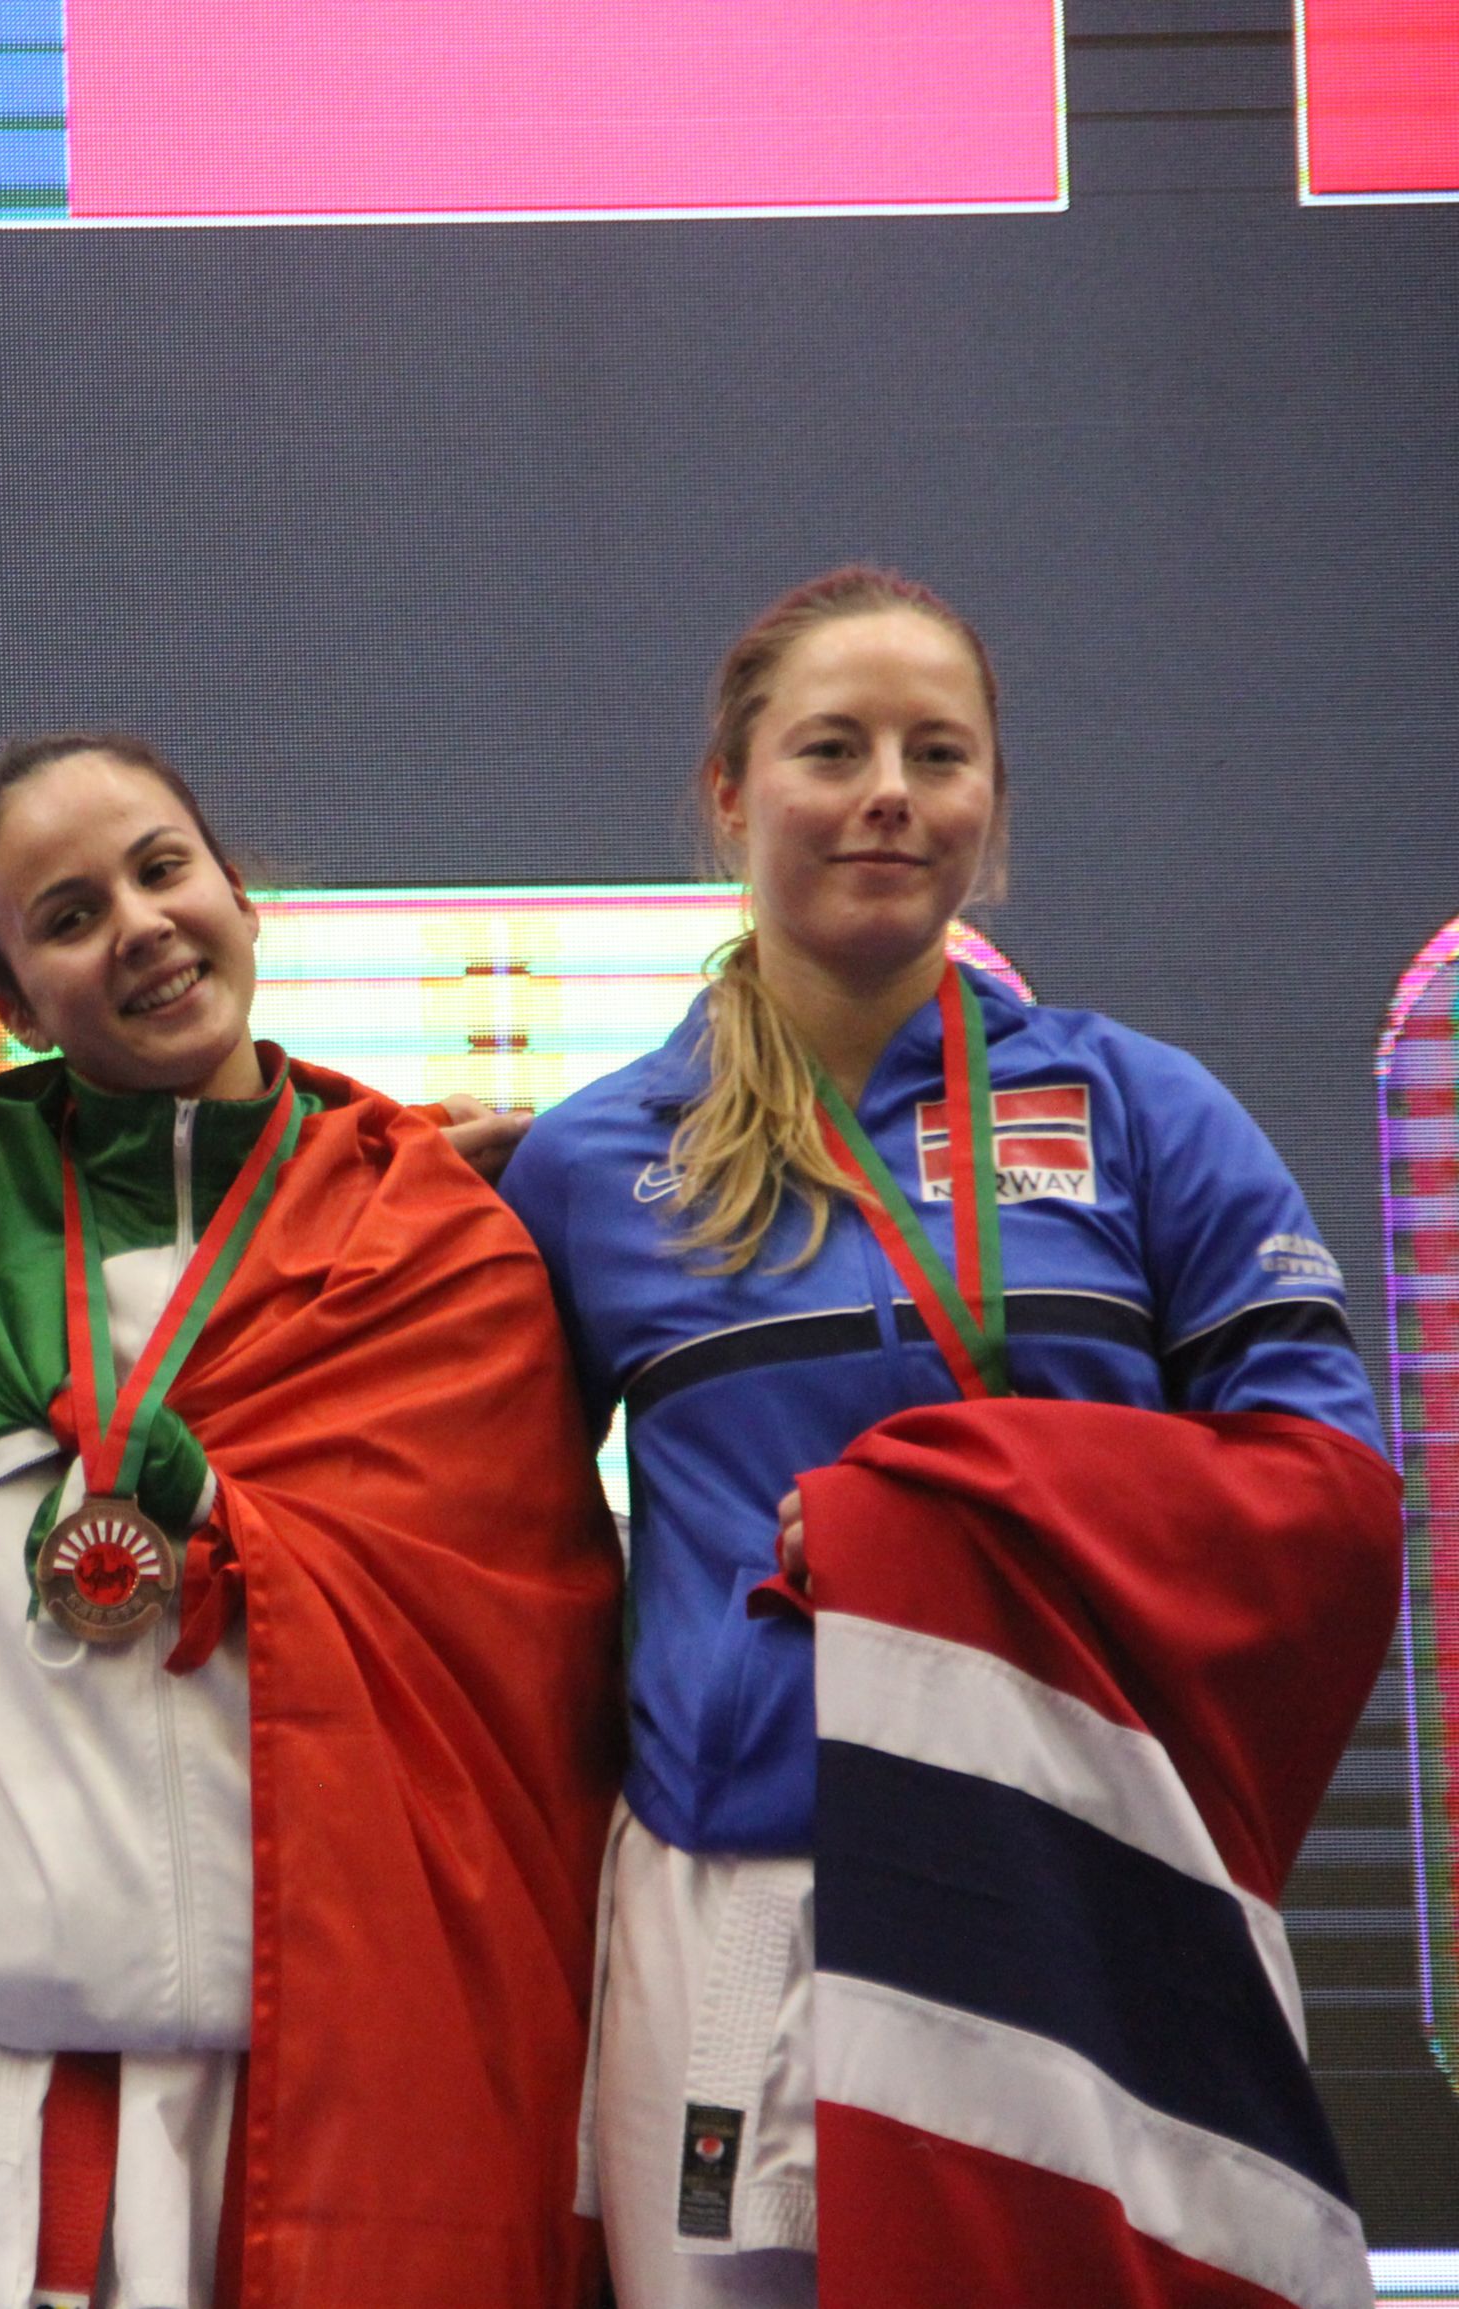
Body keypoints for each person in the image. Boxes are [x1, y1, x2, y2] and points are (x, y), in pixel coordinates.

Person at [0, 732, 624, 2308]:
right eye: (68, 917)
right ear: (13, 1001)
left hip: (347, 2055)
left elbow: (532, 1681)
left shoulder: (433, 1241)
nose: (137, 927)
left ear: (239, 898)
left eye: (161, 870)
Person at [494, 567, 1396, 2308]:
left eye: (938, 752)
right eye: (833, 748)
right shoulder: (592, 1165)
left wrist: (933, 1521)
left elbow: (1329, 1502)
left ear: (992, 805)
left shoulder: (1144, 1111)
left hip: (1089, 1862)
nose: (890, 793)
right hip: (746, 1887)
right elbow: (493, 1558)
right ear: (730, 793)